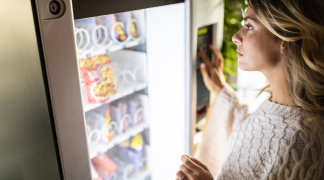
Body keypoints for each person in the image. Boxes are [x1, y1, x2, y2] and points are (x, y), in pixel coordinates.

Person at [176, 0, 324, 179]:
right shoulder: (279, 103)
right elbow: (259, 137)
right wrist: (220, 89)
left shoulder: (298, 143)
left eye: (249, 26)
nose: (235, 37)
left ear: (285, 38)